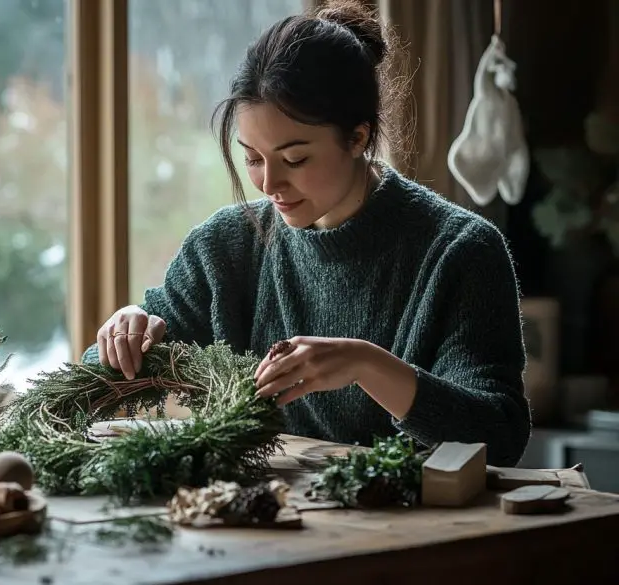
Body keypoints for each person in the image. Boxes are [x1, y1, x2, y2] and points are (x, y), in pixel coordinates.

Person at [83, 0, 531, 467]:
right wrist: (124, 332)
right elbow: (93, 379)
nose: (269, 184)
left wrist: (368, 365)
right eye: (253, 158)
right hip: (260, 525)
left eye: (294, 159)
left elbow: (498, 435)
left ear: (358, 138)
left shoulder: (460, 251)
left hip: (408, 529)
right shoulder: (225, 248)